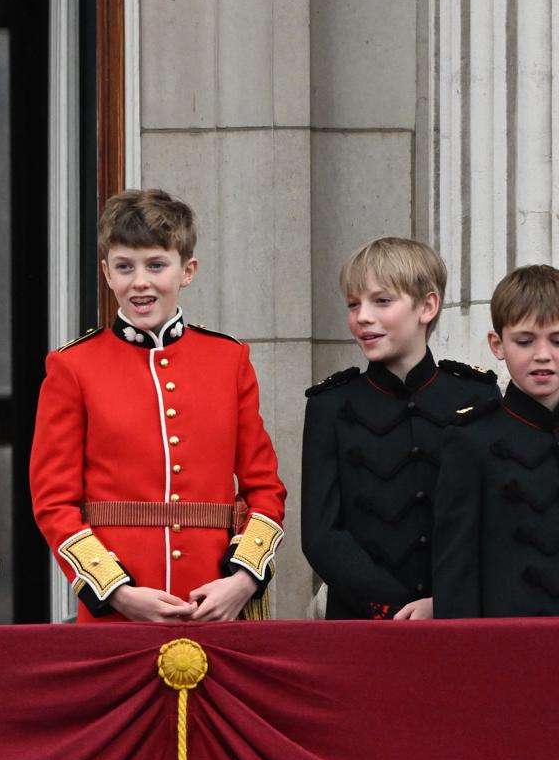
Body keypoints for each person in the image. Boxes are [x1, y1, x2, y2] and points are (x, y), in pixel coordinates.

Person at [30, 189, 286, 623]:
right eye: (125, 267)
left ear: (187, 271)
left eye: (156, 265)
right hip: (118, 613)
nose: (140, 282)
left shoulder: (229, 360)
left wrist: (241, 581)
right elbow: (54, 502)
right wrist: (117, 593)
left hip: (218, 606)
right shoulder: (72, 367)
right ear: (106, 273)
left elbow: (265, 489)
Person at [303, 238, 497, 620]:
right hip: (362, 623)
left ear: (427, 306)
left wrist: (445, 603)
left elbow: (493, 521)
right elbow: (321, 534)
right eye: (353, 304)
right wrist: (393, 607)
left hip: (459, 620)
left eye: (381, 301)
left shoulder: (477, 394)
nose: (362, 317)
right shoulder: (331, 404)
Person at [432, 264, 559, 618]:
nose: (543, 355)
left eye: (557, 340)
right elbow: (456, 572)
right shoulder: (471, 440)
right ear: (497, 344)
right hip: (505, 650)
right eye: (524, 341)